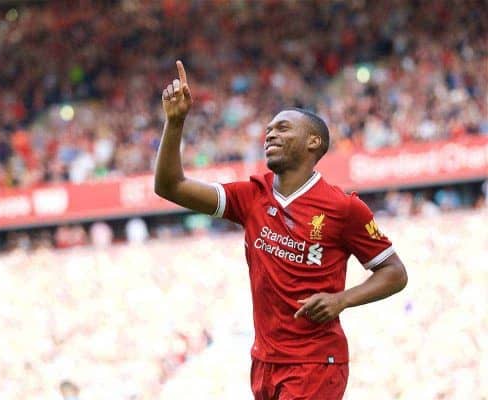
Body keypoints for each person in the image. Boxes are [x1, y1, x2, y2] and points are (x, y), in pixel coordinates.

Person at [154, 61, 408, 400]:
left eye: (283, 128)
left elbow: (394, 272)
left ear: (313, 142)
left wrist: (342, 300)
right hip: (264, 361)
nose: (270, 134)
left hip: (315, 362)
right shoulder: (250, 196)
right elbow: (170, 186)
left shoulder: (343, 208)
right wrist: (175, 122)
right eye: (269, 129)